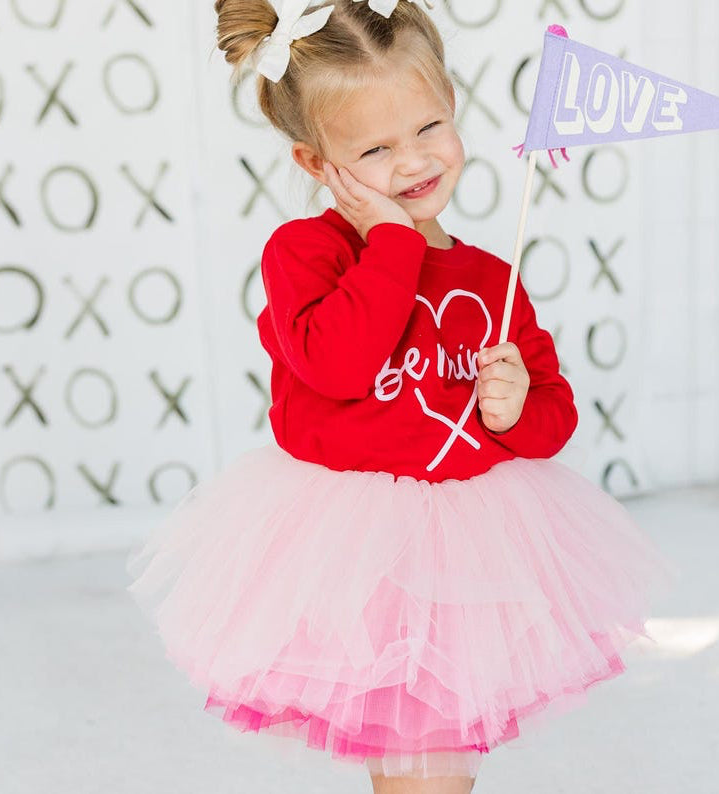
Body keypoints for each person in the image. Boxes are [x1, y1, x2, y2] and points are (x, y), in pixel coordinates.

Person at [125, 2, 678, 792]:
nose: (414, 160)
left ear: (453, 107)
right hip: (357, 558)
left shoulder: (492, 277)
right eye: (375, 149)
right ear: (317, 163)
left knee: (439, 767)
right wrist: (391, 240)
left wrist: (516, 406)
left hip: (468, 555)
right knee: (419, 770)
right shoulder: (306, 253)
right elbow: (339, 368)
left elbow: (551, 421)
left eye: (429, 127)